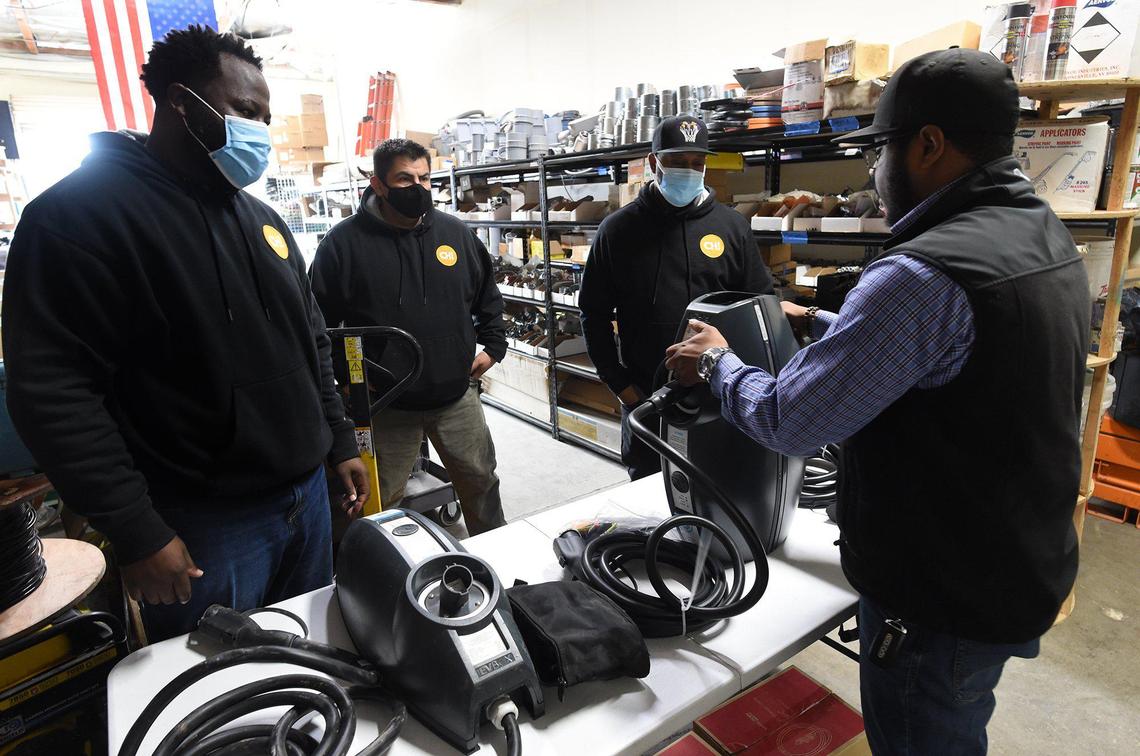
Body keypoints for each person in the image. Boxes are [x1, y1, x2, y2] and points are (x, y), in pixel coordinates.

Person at [666, 49, 1087, 755]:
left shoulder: (920, 273)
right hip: (1014, 563)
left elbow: (790, 422)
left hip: (939, 594)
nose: (874, 171)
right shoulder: (1041, 233)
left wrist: (716, 363)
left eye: (880, 149)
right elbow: (967, 359)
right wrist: (830, 326)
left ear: (928, 144)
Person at [2, 26, 369, 642]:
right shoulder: (77, 218)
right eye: (245, 112)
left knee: (306, 653)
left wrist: (338, 441)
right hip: (205, 525)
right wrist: (136, 528)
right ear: (180, 103)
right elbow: (55, 391)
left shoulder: (262, 220)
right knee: (214, 684)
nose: (259, 131)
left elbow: (311, 344)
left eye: (265, 117)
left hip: (306, 497)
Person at [310, 138, 507, 536]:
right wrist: (345, 382)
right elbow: (318, 324)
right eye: (404, 179)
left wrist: (494, 347)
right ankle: (385, 574)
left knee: (480, 482)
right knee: (381, 500)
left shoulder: (455, 233)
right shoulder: (343, 244)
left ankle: (497, 557)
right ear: (378, 184)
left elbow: (487, 293)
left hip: (456, 395)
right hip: (386, 404)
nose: (418, 188)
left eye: (425, 178)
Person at [579, 115, 774, 480]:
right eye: (677, 162)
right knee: (651, 498)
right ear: (654, 163)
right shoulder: (618, 231)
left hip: (718, 396)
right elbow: (593, 313)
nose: (689, 170)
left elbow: (759, 307)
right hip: (648, 398)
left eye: (696, 163)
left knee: (719, 490)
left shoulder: (732, 228)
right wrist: (622, 387)